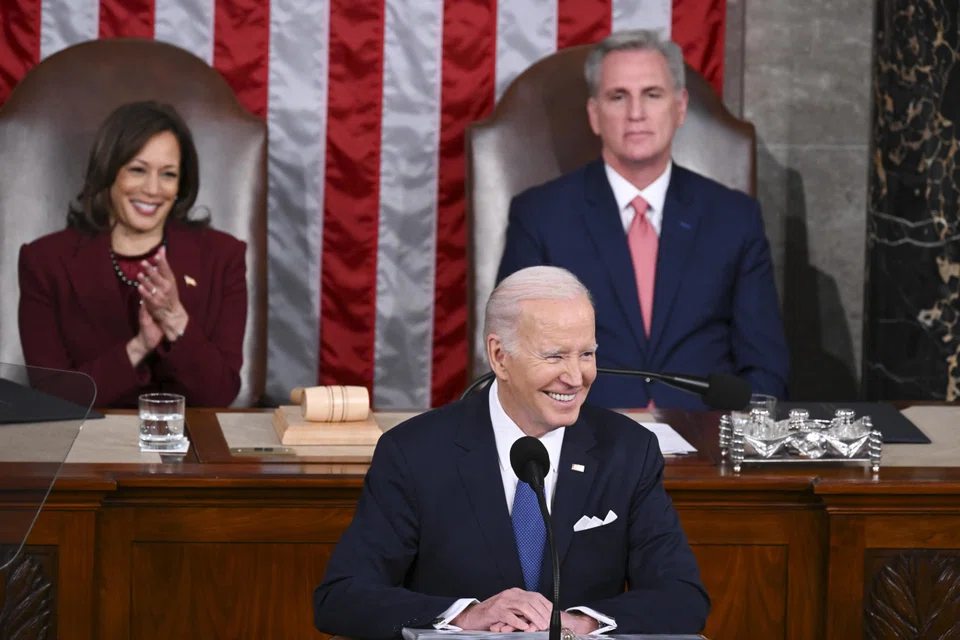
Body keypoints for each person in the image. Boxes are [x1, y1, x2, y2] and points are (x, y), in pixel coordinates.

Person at [313, 266, 709, 638]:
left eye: (586, 354)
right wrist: (466, 616)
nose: (575, 377)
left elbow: (683, 597)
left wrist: (577, 625)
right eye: (554, 355)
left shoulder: (627, 450)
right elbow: (342, 597)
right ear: (500, 356)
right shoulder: (414, 452)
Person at [497, 29, 790, 410]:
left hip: (707, 443)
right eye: (618, 97)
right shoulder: (540, 215)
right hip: (585, 438)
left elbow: (766, 369)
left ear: (680, 107)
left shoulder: (735, 217)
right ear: (594, 114)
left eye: (652, 95)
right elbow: (517, 355)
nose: (636, 114)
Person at [18, 101, 247, 408]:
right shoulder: (45, 262)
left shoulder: (223, 257)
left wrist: (176, 322)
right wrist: (138, 348)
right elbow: (50, 397)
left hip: (189, 446)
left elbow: (220, 394)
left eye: (168, 174)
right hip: (87, 449)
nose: (153, 189)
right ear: (109, 173)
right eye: (138, 170)